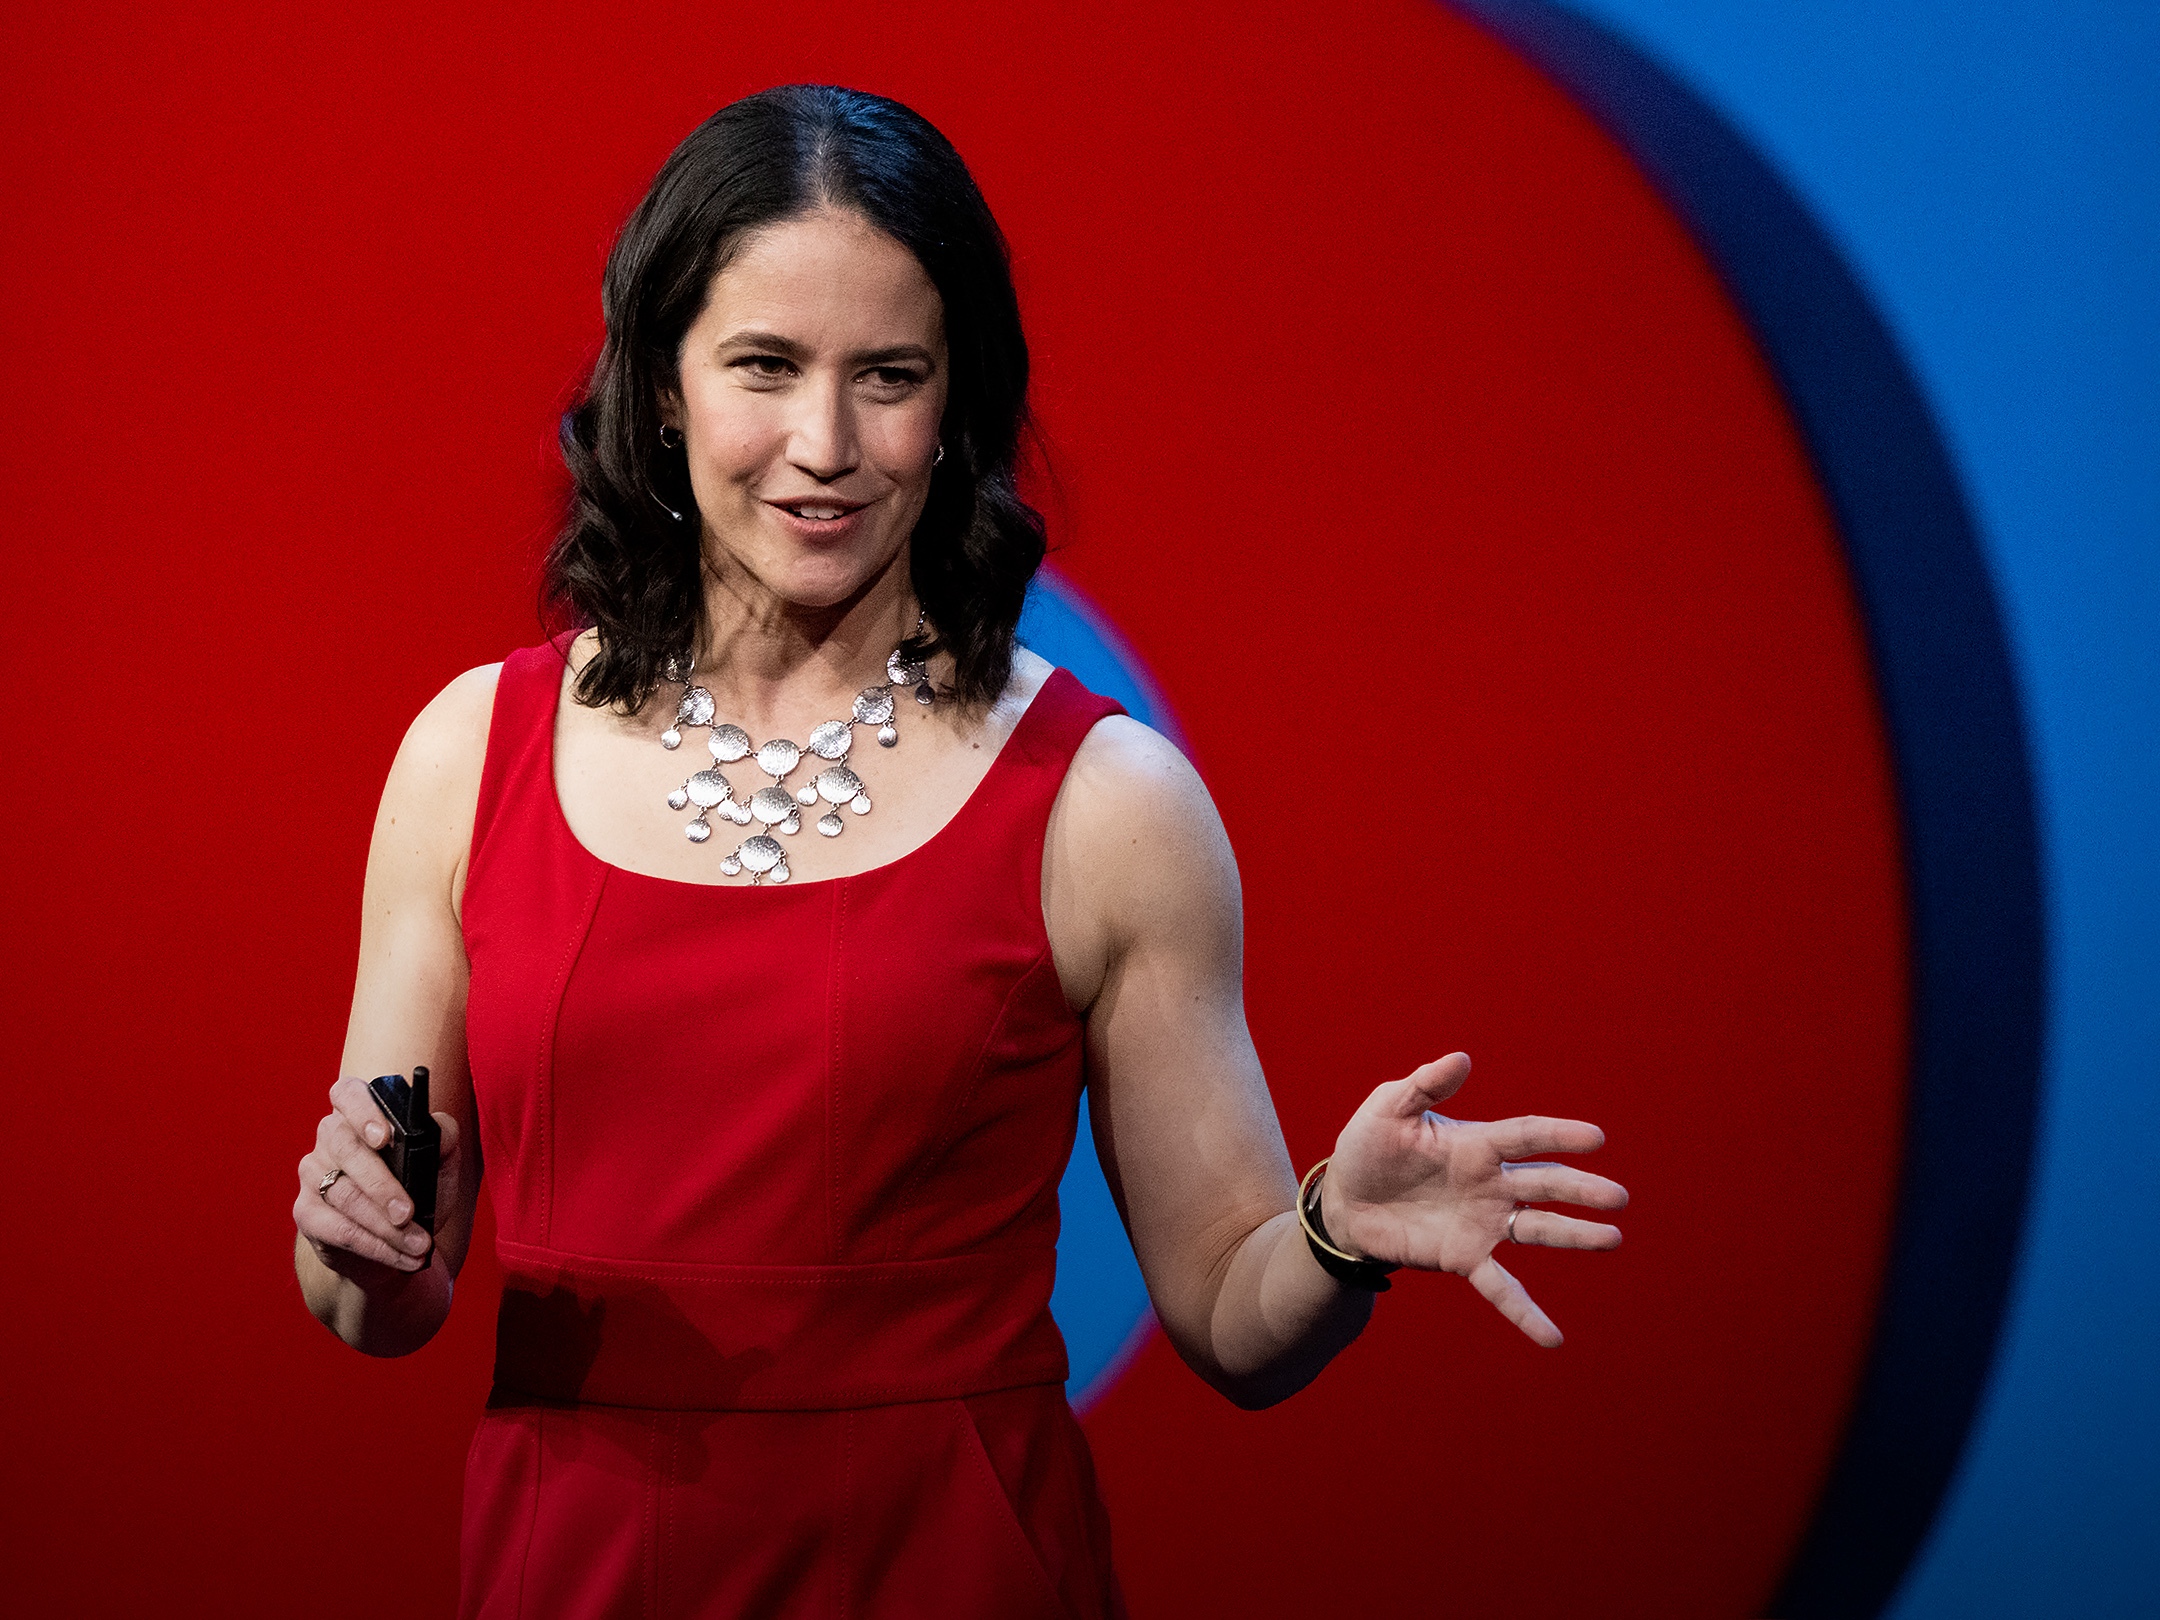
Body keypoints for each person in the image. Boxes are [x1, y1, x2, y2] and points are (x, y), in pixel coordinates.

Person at [291, 84, 1628, 1618]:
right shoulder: (470, 756)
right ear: (662, 386)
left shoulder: (1109, 802)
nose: (826, 444)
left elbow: (1232, 1316)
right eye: (765, 368)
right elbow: (373, 1298)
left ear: (957, 406)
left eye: (891, 377)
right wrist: (368, 1251)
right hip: (578, 1568)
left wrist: (1335, 1233)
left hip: (952, 1563)